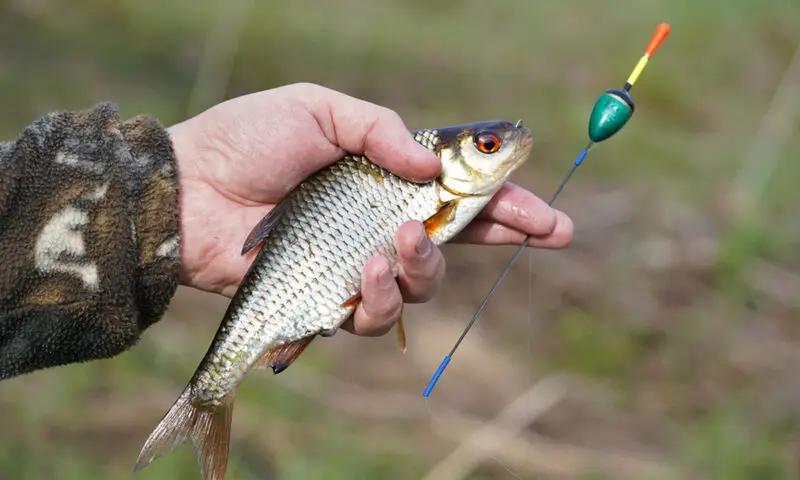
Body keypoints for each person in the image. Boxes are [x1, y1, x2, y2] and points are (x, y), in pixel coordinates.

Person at [0, 83, 573, 379]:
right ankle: (211, 395)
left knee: (379, 278)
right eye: (488, 145)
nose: (504, 146)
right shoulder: (427, 174)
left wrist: (174, 193)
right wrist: (183, 182)